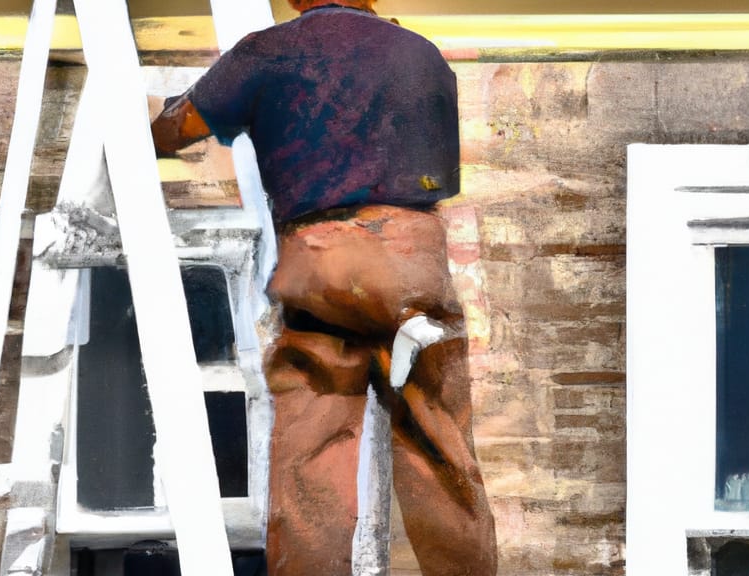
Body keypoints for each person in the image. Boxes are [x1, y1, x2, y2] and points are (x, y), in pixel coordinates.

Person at [151, 1, 497, 574]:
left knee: (310, 465)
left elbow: (176, 129)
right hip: (413, 264)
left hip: (320, 264)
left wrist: (151, 117)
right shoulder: (423, 55)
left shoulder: (266, 50)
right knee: (442, 457)